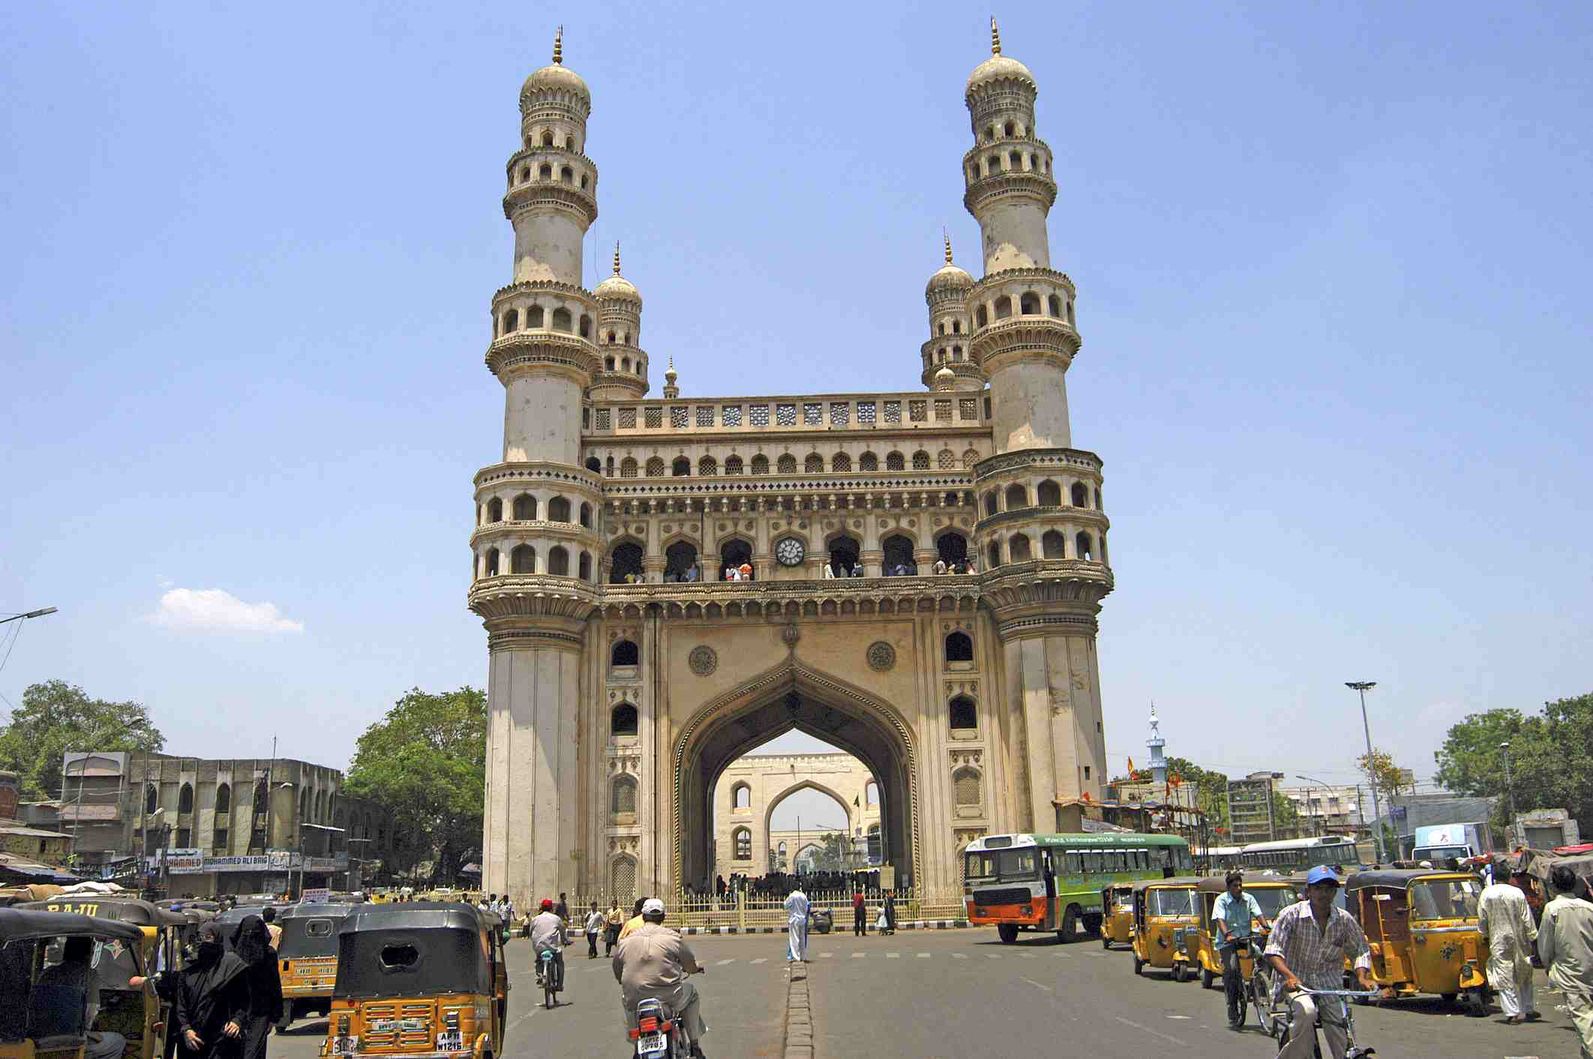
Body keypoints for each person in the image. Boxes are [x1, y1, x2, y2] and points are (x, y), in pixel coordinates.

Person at [1264, 865, 1374, 1059]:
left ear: (1334, 892)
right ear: (1308, 891)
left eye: (1329, 889)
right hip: (1298, 983)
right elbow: (1273, 951)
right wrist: (1290, 977)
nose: (1324, 894)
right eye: (1318, 888)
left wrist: (1362, 977)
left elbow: (1360, 949)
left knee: (1341, 1023)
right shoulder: (1291, 915)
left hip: (1329, 985)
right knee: (1307, 1012)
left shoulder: (1344, 919)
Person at [612, 899, 707, 1058]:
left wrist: (622, 980)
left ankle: (637, 1047)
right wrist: (694, 969)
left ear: (642, 916)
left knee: (627, 1001)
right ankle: (695, 1045)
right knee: (692, 994)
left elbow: (617, 969)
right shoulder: (672, 938)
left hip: (636, 998)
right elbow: (689, 964)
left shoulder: (625, 942)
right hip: (669, 998)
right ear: (663, 917)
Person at [34, 936, 141, 1059]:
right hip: (69, 1039)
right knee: (117, 1040)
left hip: (40, 1035)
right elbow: (90, 1015)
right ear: (89, 952)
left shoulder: (48, 972)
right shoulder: (89, 975)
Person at [1538, 864, 1593, 1057]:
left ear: (1554, 886)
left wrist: (1547, 964)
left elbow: (1545, 944)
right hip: (1589, 969)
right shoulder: (1589, 908)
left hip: (1569, 972)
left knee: (1583, 1018)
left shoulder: (1552, 909)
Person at [174, 922, 250, 1058]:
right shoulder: (189, 969)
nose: (204, 942)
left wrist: (237, 1021)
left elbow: (245, 1000)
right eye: (200, 937)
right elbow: (181, 1004)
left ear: (218, 938)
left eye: (208, 937)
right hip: (193, 1039)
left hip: (222, 1039)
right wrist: (186, 1029)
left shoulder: (232, 966)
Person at [1478, 866, 1538, 1023]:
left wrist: (1484, 934)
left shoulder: (1487, 893)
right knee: (1524, 970)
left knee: (1503, 973)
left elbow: (1482, 918)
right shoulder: (1516, 892)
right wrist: (1532, 935)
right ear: (1509, 876)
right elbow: (1527, 917)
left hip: (1498, 938)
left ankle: (1512, 1013)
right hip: (1519, 938)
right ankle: (1528, 1008)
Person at [1212, 871, 1270, 1028]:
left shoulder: (1248, 899)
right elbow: (1220, 919)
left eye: (1240, 885)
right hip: (1228, 941)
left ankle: (1261, 986)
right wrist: (1227, 934)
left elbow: (1258, 914)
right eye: (1235, 886)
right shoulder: (1221, 900)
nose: (1239, 888)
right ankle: (1232, 1006)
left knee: (1264, 957)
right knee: (1231, 969)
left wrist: (1266, 927)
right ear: (1228, 887)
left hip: (1245, 938)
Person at [230, 916, 282, 1059]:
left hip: (259, 1012)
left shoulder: (268, 955)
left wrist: (274, 1016)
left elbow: (274, 985)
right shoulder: (233, 957)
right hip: (240, 1013)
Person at [530, 899, 566, 993]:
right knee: (560, 962)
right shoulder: (556, 918)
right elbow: (562, 931)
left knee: (538, 960)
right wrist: (565, 940)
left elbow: (530, 931)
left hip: (539, 947)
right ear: (551, 908)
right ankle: (559, 984)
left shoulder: (535, 919)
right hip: (552, 947)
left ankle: (539, 975)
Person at [785, 887, 810, 962]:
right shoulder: (803, 896)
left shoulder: (792, 896)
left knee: (794, 938)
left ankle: (796, 957)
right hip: (802, 919)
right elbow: (806, 908)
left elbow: (786, 905)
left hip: (794, 919)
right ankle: (803, 956)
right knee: (802, 938)